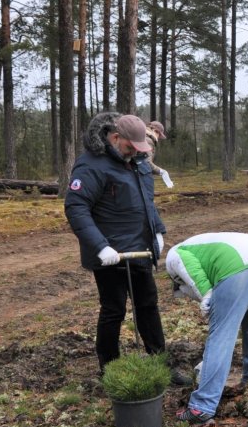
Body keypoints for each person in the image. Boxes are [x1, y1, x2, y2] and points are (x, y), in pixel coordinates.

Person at [64, 113, 176, 377]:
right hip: (111, 254)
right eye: (129, 147)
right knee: (113, 309)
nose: (133, 153)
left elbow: (146, 202)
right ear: (115, 138)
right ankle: (110, 369)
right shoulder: (91, 166)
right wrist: (100, 247)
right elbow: (76, 208)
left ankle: (160, 363)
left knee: (148, 304)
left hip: (139, 249)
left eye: (138, 150)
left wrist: (157, 231)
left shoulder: (138, 162)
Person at [165, 232, 248, 424]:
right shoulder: (205, 247)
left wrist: (205, 293)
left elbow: (186, 265)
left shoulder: (175, 254)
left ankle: (202, 407)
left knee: (222, 333)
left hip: (239, 264)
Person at [144, 120, 174, 188]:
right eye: (159, 135)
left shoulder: (144, 138)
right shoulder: (148, 141)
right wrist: (161, 171)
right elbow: (146, 162)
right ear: (155, 131)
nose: (159, 137)